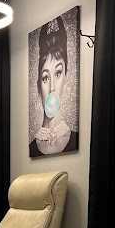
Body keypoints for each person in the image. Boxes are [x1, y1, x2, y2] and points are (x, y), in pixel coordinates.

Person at [30, 15, 78, 157]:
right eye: (45, 77)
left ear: (66, 78)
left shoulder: (76, 138)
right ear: (38, 87)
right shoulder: (31, 148)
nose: (52, 88)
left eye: (58, 73)